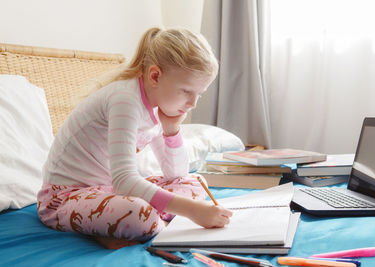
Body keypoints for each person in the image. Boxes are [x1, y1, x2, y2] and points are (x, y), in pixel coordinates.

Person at [37, 27, 233, 249]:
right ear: (155, 76)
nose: (193, 103)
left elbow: (176, 174)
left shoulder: (157, 105)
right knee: (140, 215)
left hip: (108, 190)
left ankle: (120, 228)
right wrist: (193, 211)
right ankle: (147, 225)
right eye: (187, 91)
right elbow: (124, 181)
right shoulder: (125, 100)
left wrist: (171, 130)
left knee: (196, 184)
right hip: (64, 198)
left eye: (200, 94)